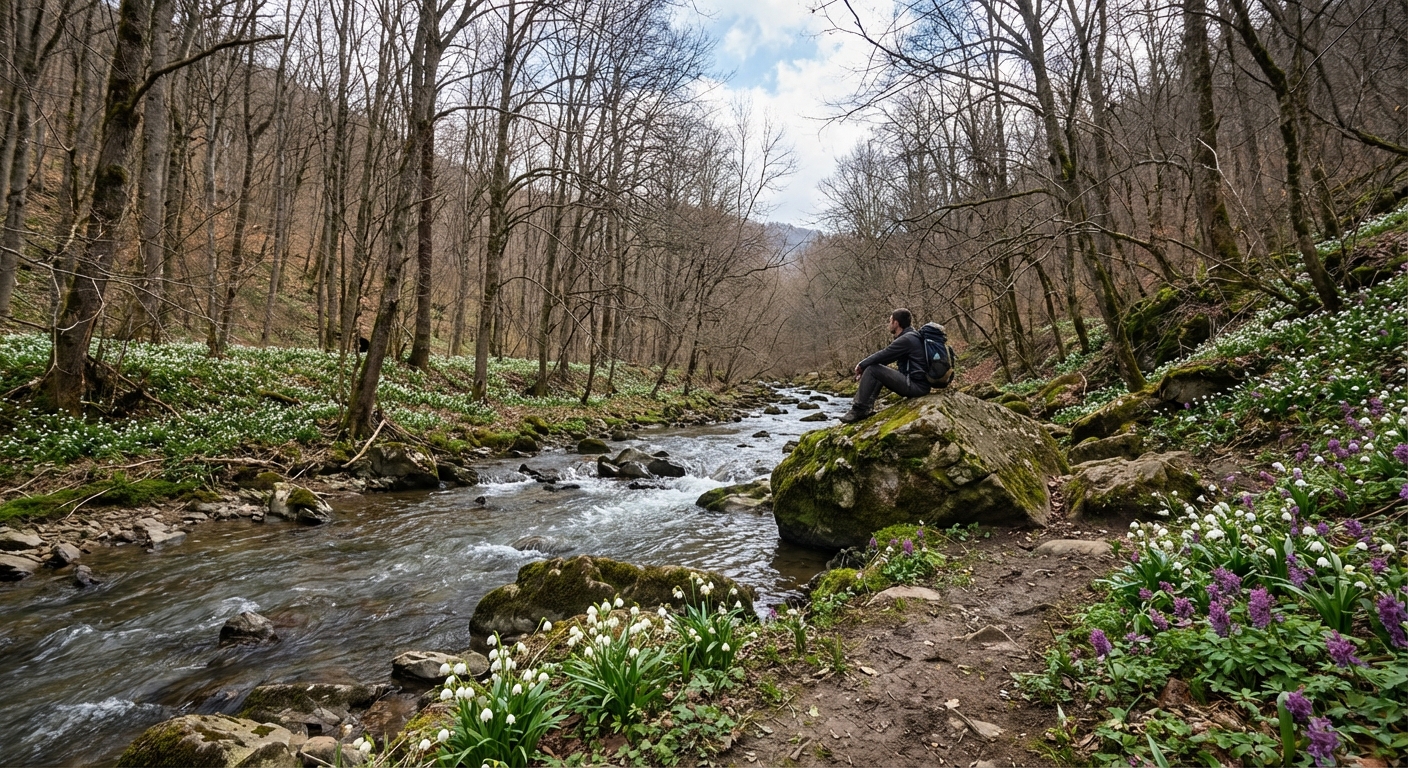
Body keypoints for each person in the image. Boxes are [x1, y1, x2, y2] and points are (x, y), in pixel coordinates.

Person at [839, 308, 931, 423]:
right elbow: (886, 359)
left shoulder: (906, 339)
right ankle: (866, 408)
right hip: (918, 385)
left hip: (916, 386)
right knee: (876, 368)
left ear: (896, 323)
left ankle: (859, 409)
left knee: (873, 369)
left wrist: (861, 365)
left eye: (890, 321)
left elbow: (883, 354)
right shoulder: (911, 336)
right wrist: (864, 368)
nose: (889, 324)